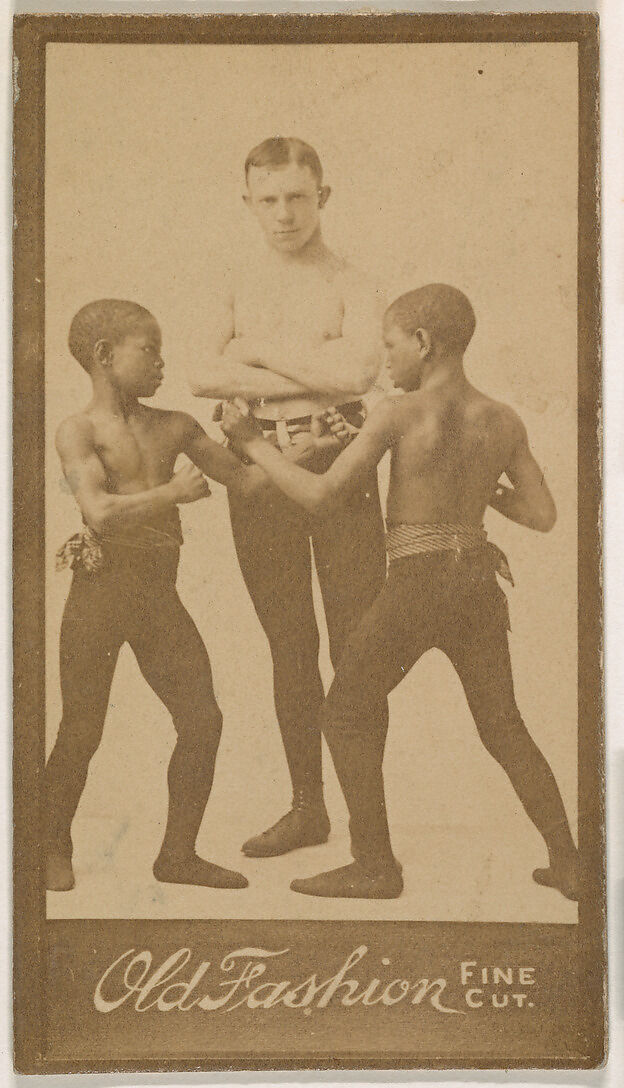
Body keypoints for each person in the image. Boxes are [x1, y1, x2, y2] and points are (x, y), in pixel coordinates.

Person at [220, 283, 580, 902]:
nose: (386, 362)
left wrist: (252, 443)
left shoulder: (398, 411)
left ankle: (375, 866)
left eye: (391, 346)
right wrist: (479, 490)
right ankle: (571, 865)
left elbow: (321, 496)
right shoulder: (503, 418)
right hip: (476, 582)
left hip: (417, 584)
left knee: (343, 709)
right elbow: (543, 514)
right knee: (503, 725)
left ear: (422, 342)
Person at [45, 298, 338, 893]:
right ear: (104, 356)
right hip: (100, 590)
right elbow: (97, 510)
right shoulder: (77, 430)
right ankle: (51, 846)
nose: (161, 361)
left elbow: (250, 481)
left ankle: (176, 855)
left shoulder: (176, 425)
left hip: (157, 595)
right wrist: (172, 495)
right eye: (147, 348)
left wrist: (303, 446)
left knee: (202, 721)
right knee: (82, 728)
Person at [188, 137, 388, 858]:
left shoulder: (354, 281)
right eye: (267, 199)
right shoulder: (234, 278)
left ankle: (371, 831)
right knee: (289, 646)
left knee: (357, 647)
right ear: (248, 203)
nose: (282, 213)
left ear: (323, 197)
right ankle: (309, 809)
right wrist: (314, 369)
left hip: (341, 459)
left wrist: (259, 352)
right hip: (260, 466)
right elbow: (202, 376)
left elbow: (361, 374)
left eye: (297, 197)